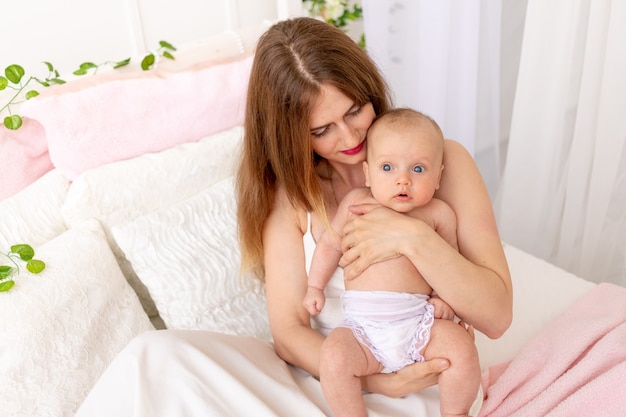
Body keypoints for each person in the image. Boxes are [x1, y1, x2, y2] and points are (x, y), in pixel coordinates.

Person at [76, 16, 512, 417]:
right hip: (338, 375)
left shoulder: (438, 160)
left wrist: (411, 239)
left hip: (430, 366)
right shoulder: (292, 197)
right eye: (322, 130)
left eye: (355, 110)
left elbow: (496, 316)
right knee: (153, 356)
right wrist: (377, 382)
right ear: (292, 136)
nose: (351, 136)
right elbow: (288, 331)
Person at [302, 108, 480, 417]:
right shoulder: (357, 204)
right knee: (333, 356)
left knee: (461, 349)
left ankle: (456, 412)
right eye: (388, 167)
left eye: (418, 170)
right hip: (362, 330)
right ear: (369, 174)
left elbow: (451, 264)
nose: (403, 180)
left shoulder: (439, 215)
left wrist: (443, 300)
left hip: (419, 324)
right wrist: (315, 286)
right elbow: (330, 245)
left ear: (438, 177)